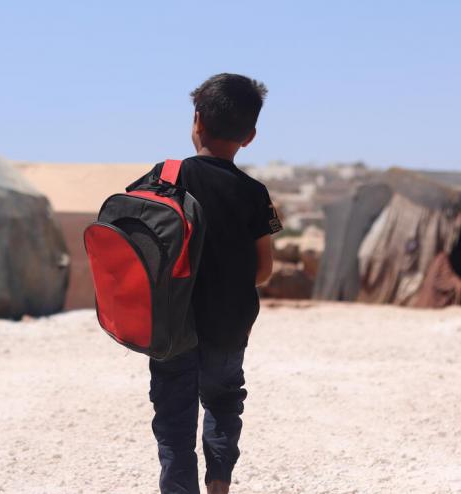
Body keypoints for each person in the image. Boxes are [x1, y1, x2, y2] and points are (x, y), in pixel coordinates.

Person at [128, 74, 281, 494]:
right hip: (229, 327)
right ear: (250, 136)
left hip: (172, 328)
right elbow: (264, 270)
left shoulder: (165, 176)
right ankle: (218, 488)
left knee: (175, 423)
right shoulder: (255, 193)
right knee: (223, 404)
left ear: (196, 120)